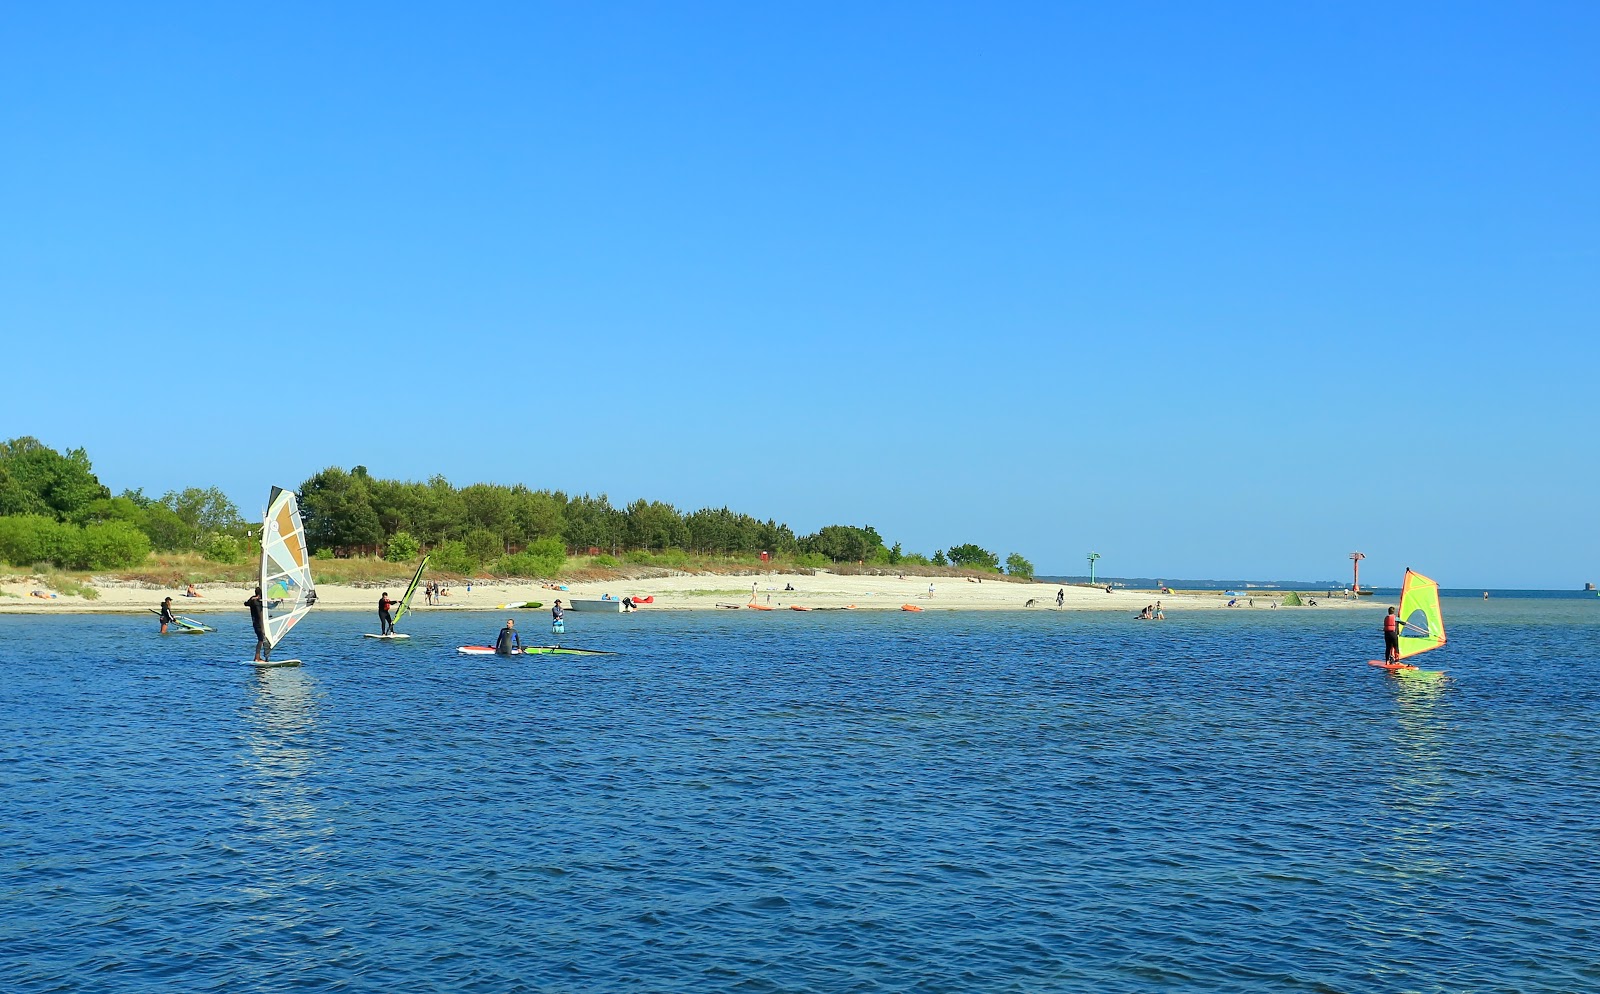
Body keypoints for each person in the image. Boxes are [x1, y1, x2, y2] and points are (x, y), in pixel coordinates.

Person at [246, 586, 269, 662]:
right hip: (259, 624)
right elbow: (260, 614)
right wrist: (263, 626)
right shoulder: (257, 602)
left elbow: (246, 603)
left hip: (255, 623)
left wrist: (253, 598)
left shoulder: (253, 599)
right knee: (261, 639)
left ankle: (258, 657)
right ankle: (257, 658)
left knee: (261, 639)